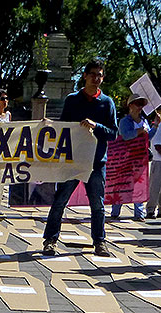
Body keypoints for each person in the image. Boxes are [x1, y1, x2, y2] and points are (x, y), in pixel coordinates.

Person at [42, 60, 119, 258]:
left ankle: (100, 242)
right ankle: (50, 240)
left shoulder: (107, 103)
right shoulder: (72, 100)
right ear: (84, 76)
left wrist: (96, 126)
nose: (96, 78)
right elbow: (64, 128)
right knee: (60, 201)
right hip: (73, 161)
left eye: (100, 75)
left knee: (97, 205)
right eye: (93, 74)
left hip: (96, 162)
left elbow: (113, 133)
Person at [110, 94, 150, 220]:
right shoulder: (124, 121)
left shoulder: (144, 121)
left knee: (139, 184)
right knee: (121, 183)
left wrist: (154, 127)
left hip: (140, 159)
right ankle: (115, 211)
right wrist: (139, 132)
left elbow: (149, 138)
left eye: (141, 105)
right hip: (125, 158)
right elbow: (125, 136)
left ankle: (139, 213)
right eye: (137, 104)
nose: (140, 107)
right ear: (130, 105)